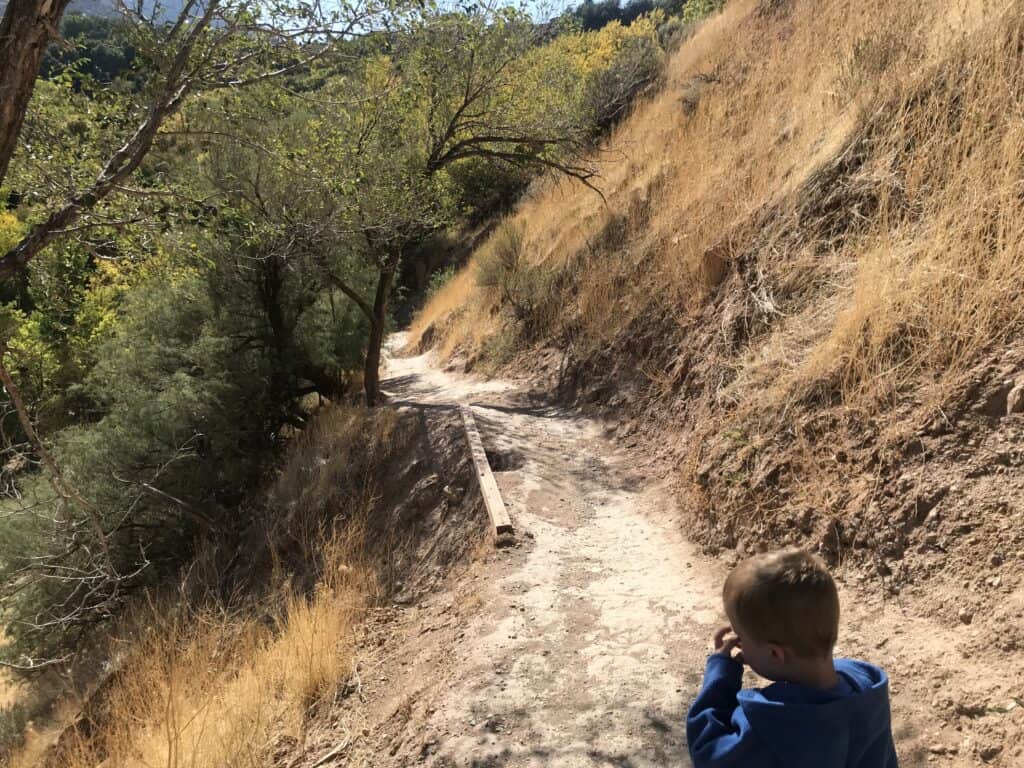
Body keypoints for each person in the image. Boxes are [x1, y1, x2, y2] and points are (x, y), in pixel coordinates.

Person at [686, 548, 898, 767]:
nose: (738, 643)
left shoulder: (771, 723)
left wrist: (721, 673)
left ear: (775, 653)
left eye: (741, 637)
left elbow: (708, 751)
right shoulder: (869, 692)